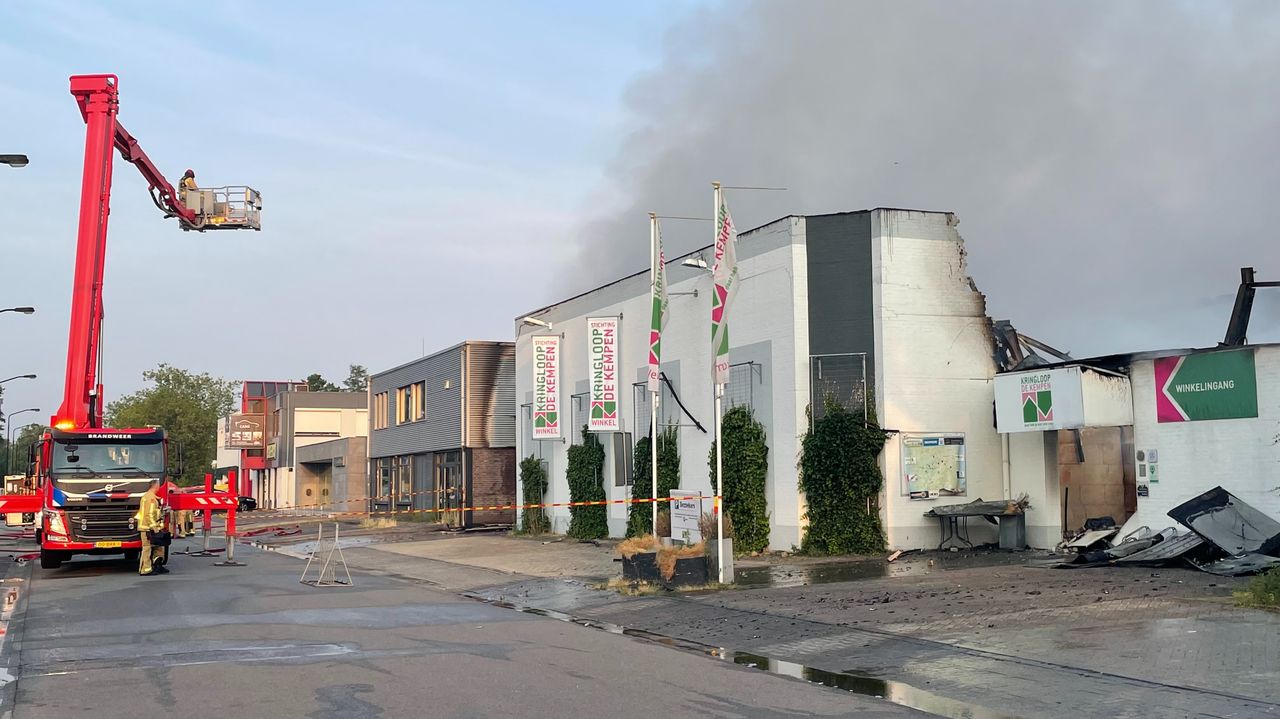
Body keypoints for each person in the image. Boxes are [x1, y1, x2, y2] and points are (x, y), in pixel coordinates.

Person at [136, 478, 169, 576]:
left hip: (151, 528)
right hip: (148, 529)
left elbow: (154, 513)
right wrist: (154, 528)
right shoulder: (150, 498)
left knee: (158, 548)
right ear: (155, 485)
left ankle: (158, 565)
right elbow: (149, 514)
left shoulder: (151, 497)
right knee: (147, 548)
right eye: (159, 484)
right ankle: (145, 569)